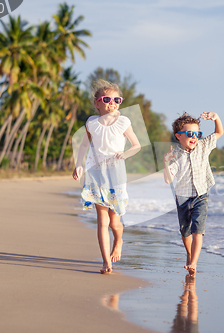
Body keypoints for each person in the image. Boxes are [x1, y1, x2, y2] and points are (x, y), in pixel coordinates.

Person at [73, 79, 141, 274]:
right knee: (102, 220)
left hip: (115, 173)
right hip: (95, 173)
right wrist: (78, 165)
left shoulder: (123, 121)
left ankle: (118, 240)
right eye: (107, 99)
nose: (112, 103)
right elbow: (84, 145)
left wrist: (124, 155)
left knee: (114, 221)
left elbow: (136, 145)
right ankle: (105, 262)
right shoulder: (91, 122)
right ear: (97, 103)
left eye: (116, 100)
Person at [163, 112, 224, 276]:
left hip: (201, 194)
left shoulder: (203, 146)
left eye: (197, 133)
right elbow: (168, 180)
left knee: (198, 229)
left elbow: (219, 133)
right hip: (182, 196)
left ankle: (194, 262)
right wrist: (166, 163)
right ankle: (189, 255)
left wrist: (216, 118)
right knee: (185, 231)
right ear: (178, 136)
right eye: (190, 134)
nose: (195, 137)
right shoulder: (175, 155)